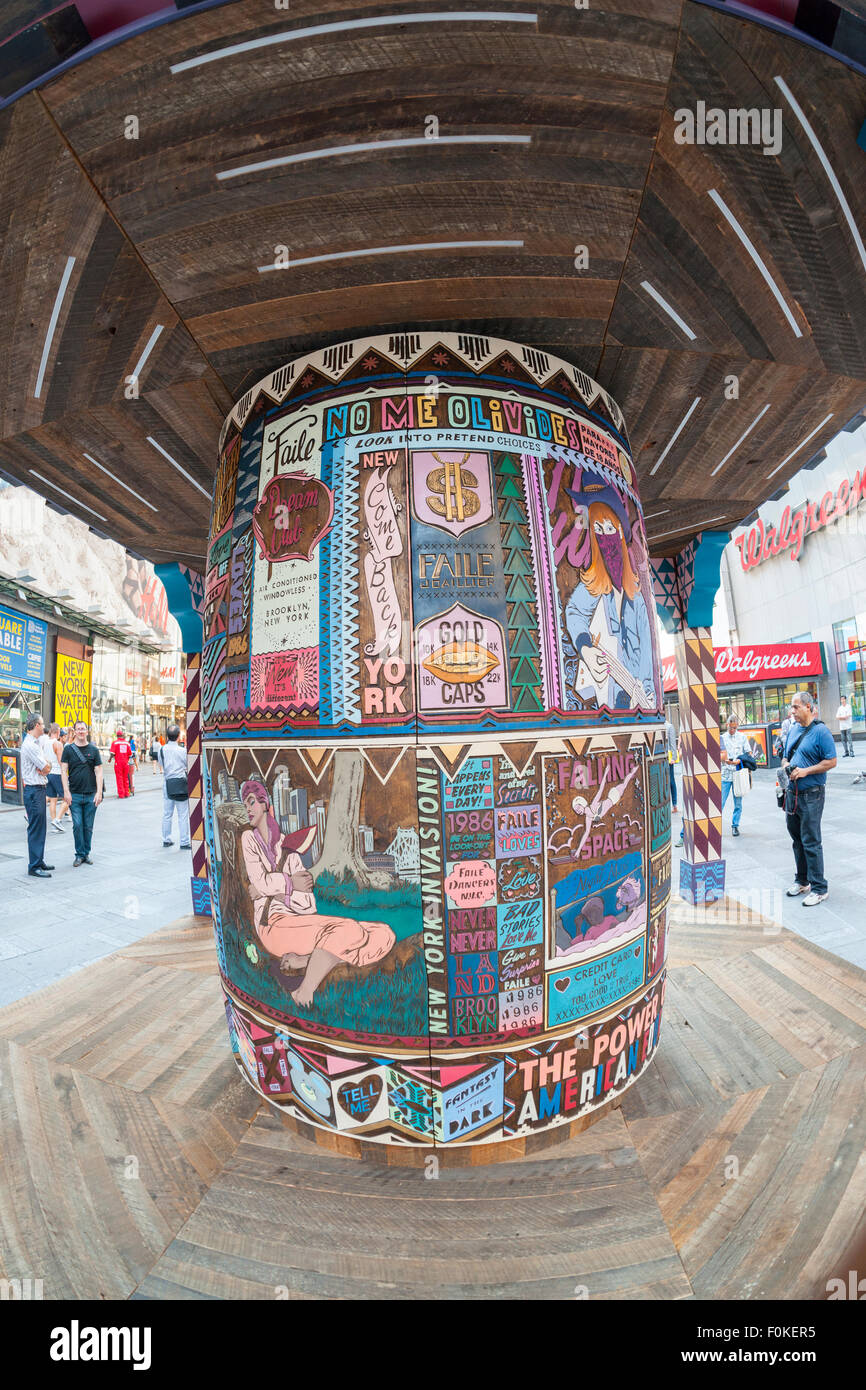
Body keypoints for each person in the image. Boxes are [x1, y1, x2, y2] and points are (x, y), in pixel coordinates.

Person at [240, 779, 395, 1007]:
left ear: (265, 804)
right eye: (246, 805)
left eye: (252, 802)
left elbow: (307, 904)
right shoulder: (249, 839)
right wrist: (288, 884)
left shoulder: (288, 847)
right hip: (272, 926)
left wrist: (280, 891)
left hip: (297, 921)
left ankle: (306, 961)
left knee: (384, 933)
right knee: (350, 929)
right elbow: (260, 882)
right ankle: (304, 991)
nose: (248, 809)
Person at [563, 471, 656, 711]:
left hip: (638, 695)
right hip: (611, 693)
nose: (606, 537)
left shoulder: (636, 597)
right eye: (598, 531)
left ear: (620, 529)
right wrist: (585, 648)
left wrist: (647, 691)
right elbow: (574, 613)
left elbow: (647, 651)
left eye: (609, 528)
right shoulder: (594, 583)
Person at [782, 690, 837, 906]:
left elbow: (831, 761)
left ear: (808, 707)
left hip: (812, 794)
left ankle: (820, 888)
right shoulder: (794, 728)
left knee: (811, 841)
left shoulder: (821, 732)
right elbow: (786, 754)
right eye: (792, 707)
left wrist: (805, 771)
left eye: (796, 707)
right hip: (792, 793)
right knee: (797, 839)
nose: (792, 711)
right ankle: (802, 880)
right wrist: (787, 765)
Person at [60, 720, 104, 866]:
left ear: (87, 731)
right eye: (78, 729)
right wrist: (66, 791)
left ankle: (86, 853)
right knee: (77, 825)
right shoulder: (68, 750)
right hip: (75, 794)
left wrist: (99, 792)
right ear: (74, 731)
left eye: (83, 729)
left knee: (88, 826)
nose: (80, 731)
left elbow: (99, 772)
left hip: (91, 794)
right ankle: (79, 854)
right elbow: (63, 771)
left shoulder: (94, 750)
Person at [20, 713, 55, 878]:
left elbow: (47, 765)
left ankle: (39, 861)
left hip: (37, 789)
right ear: (36, 725)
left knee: (41, 827)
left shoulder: (35, 743)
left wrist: (47, 764)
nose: (44, 726)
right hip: (34, 790)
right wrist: (47, 765)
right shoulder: (30, 746)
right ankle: (34, 866)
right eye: (42, 723)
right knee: (35, 828)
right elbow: (46, 768)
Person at [159, 723, 191, 849]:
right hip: (181, 783)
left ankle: (166, 839)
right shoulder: (183, 751)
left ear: (167, 736)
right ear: (178, 736)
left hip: (167, 783)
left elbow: (161, 763)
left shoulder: (162, 749)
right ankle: (184, 841)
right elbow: (187, 765)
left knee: (167, 813)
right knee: (183, 814)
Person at [721, 714, 748, 837]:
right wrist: (724, 760)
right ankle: (715, 826)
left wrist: (740, 760)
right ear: (727, 725)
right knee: (720, 802)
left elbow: (749, 753)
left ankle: (735, 826)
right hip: (725, 774)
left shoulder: (742, 737)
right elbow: (719, 754)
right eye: (730, 727)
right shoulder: (722, 738)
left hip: (737, 774)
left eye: (734, 728)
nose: (732, 730)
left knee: (738, 803)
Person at [42, 723, 69, 834]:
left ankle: (54, 824)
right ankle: (57, 820)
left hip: (48, 773)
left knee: (52, 799)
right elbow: (61, 761)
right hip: (57, 773)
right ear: (57, 732)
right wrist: (66, 774)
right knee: (67, 798)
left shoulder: (44, 743)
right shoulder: (57, 744)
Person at [108, 728, 133, 798]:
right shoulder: (127, 743)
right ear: (122, 735)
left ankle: (121, 794)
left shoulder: (115, 743)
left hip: (118, 763)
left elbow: (112, 753)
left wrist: (110, 759)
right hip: (126, 763)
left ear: (117, 735)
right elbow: (130, 755)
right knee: (125, 778)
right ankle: (127, 793)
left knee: (119, 778)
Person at [665, 718, 679, 814]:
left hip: (669, 758)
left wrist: (673, 758)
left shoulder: (669, 726)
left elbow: (673, 743)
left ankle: (674, 804)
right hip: (660, 758)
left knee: (671, 781)